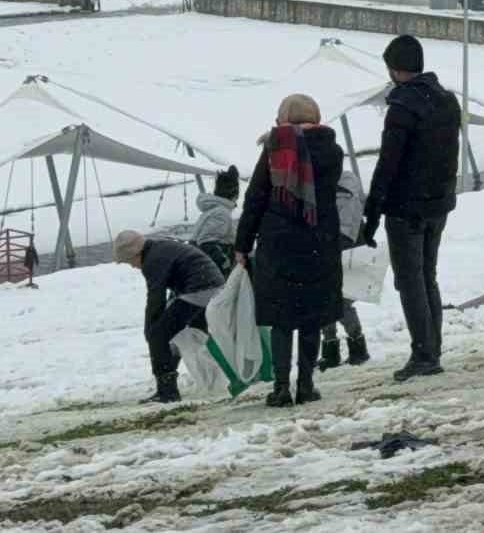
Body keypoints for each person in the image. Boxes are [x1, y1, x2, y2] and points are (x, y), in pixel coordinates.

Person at [360, 34, 462, 383]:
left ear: (395, 69)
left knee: (410, 280)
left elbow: (388, 164)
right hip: (439, 204)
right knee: (427, 275)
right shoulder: (446, 100)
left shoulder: (403, 106)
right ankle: (432, 349)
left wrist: (373, 212)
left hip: (406, 207)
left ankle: (424, 354)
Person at [235, 94, 345, 407]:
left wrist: (242, 244)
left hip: (279, 244)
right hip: (319, 243)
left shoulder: (275, 149)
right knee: (311, 317)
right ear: (316, 117)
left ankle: (281, 388)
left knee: (282, 319)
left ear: (283, 119)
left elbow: (256, 198)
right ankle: (306, 385)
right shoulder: (332, 150)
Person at [114, 229, 224, 404]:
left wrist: (150, 329)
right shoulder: (158, 249)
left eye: (129, 261)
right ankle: (206, 379)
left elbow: (155, 298)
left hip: (199, 289)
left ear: (136, 253)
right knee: (175, 333)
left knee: (159, 335)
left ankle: (167, 392)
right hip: (210, 286)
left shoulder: (152, 260)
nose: (132, 266)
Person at [319, 170, 370, 371]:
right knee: (335, 300)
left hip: (336, 249)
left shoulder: (328, 186)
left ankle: (343, 347)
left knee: (335, 300)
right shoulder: (350, 183)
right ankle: (350, 346)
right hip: (348, 248)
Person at [192, 166, 240, 277]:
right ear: (234, 194)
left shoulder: (214, 210)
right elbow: (206, 242)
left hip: (203, 267)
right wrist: (224, 263)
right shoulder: (221, 213)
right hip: (212, 271)